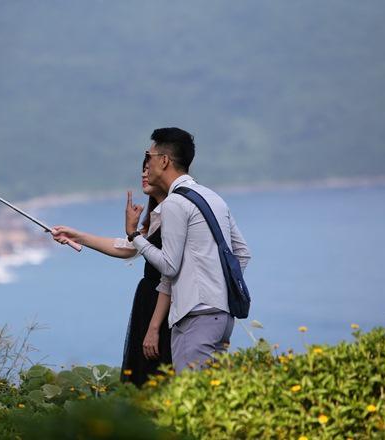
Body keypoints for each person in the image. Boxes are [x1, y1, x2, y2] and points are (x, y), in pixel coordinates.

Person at [125, 127, 251, 373]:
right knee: (213, 392)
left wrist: (134, 236)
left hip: (196, 316)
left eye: (149, 157)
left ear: (164, 161)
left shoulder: (175, 203)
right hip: (222, 316)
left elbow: (169, 266)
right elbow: (242, 252)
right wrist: (217, 287)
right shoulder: (212, 197)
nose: (146, 165)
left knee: (193, 398)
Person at [52, 161, 172, 386]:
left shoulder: (174, 211)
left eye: (149, 168)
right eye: (142, 169)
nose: (144, 174)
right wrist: (77, 236)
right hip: (150, 299)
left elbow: (164, 268)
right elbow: (129, 248)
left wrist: (132, 232)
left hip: (163, 300)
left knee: (159, 371)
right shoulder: (156, 213)